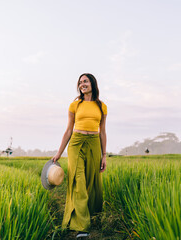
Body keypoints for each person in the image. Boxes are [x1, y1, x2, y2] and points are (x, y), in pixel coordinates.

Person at [51, 73, 107, 238]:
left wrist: (104, 155)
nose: (82, 84)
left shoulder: (101, 106)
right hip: (76, 143)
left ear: (92, 84)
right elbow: (68, 130)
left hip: (94, 143)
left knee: (92, 180)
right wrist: (59, 153)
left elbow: (102, 132)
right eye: (80, 82)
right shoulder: (75, 105)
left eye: (86, 81)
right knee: (79, 181)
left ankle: (92, 215)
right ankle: (82, 226)